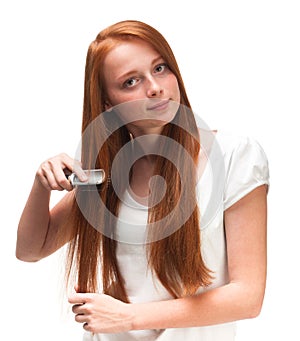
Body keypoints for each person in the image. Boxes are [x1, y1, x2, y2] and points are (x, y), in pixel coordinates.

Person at [16, 20, 269, 341]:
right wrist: (41, 185)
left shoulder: (235, 155)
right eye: (131, 81)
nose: (154, 87)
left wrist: (126, 317)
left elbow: (247, 298)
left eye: (160, 68)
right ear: (108, 104)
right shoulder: (107, 174)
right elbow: (30, 250)